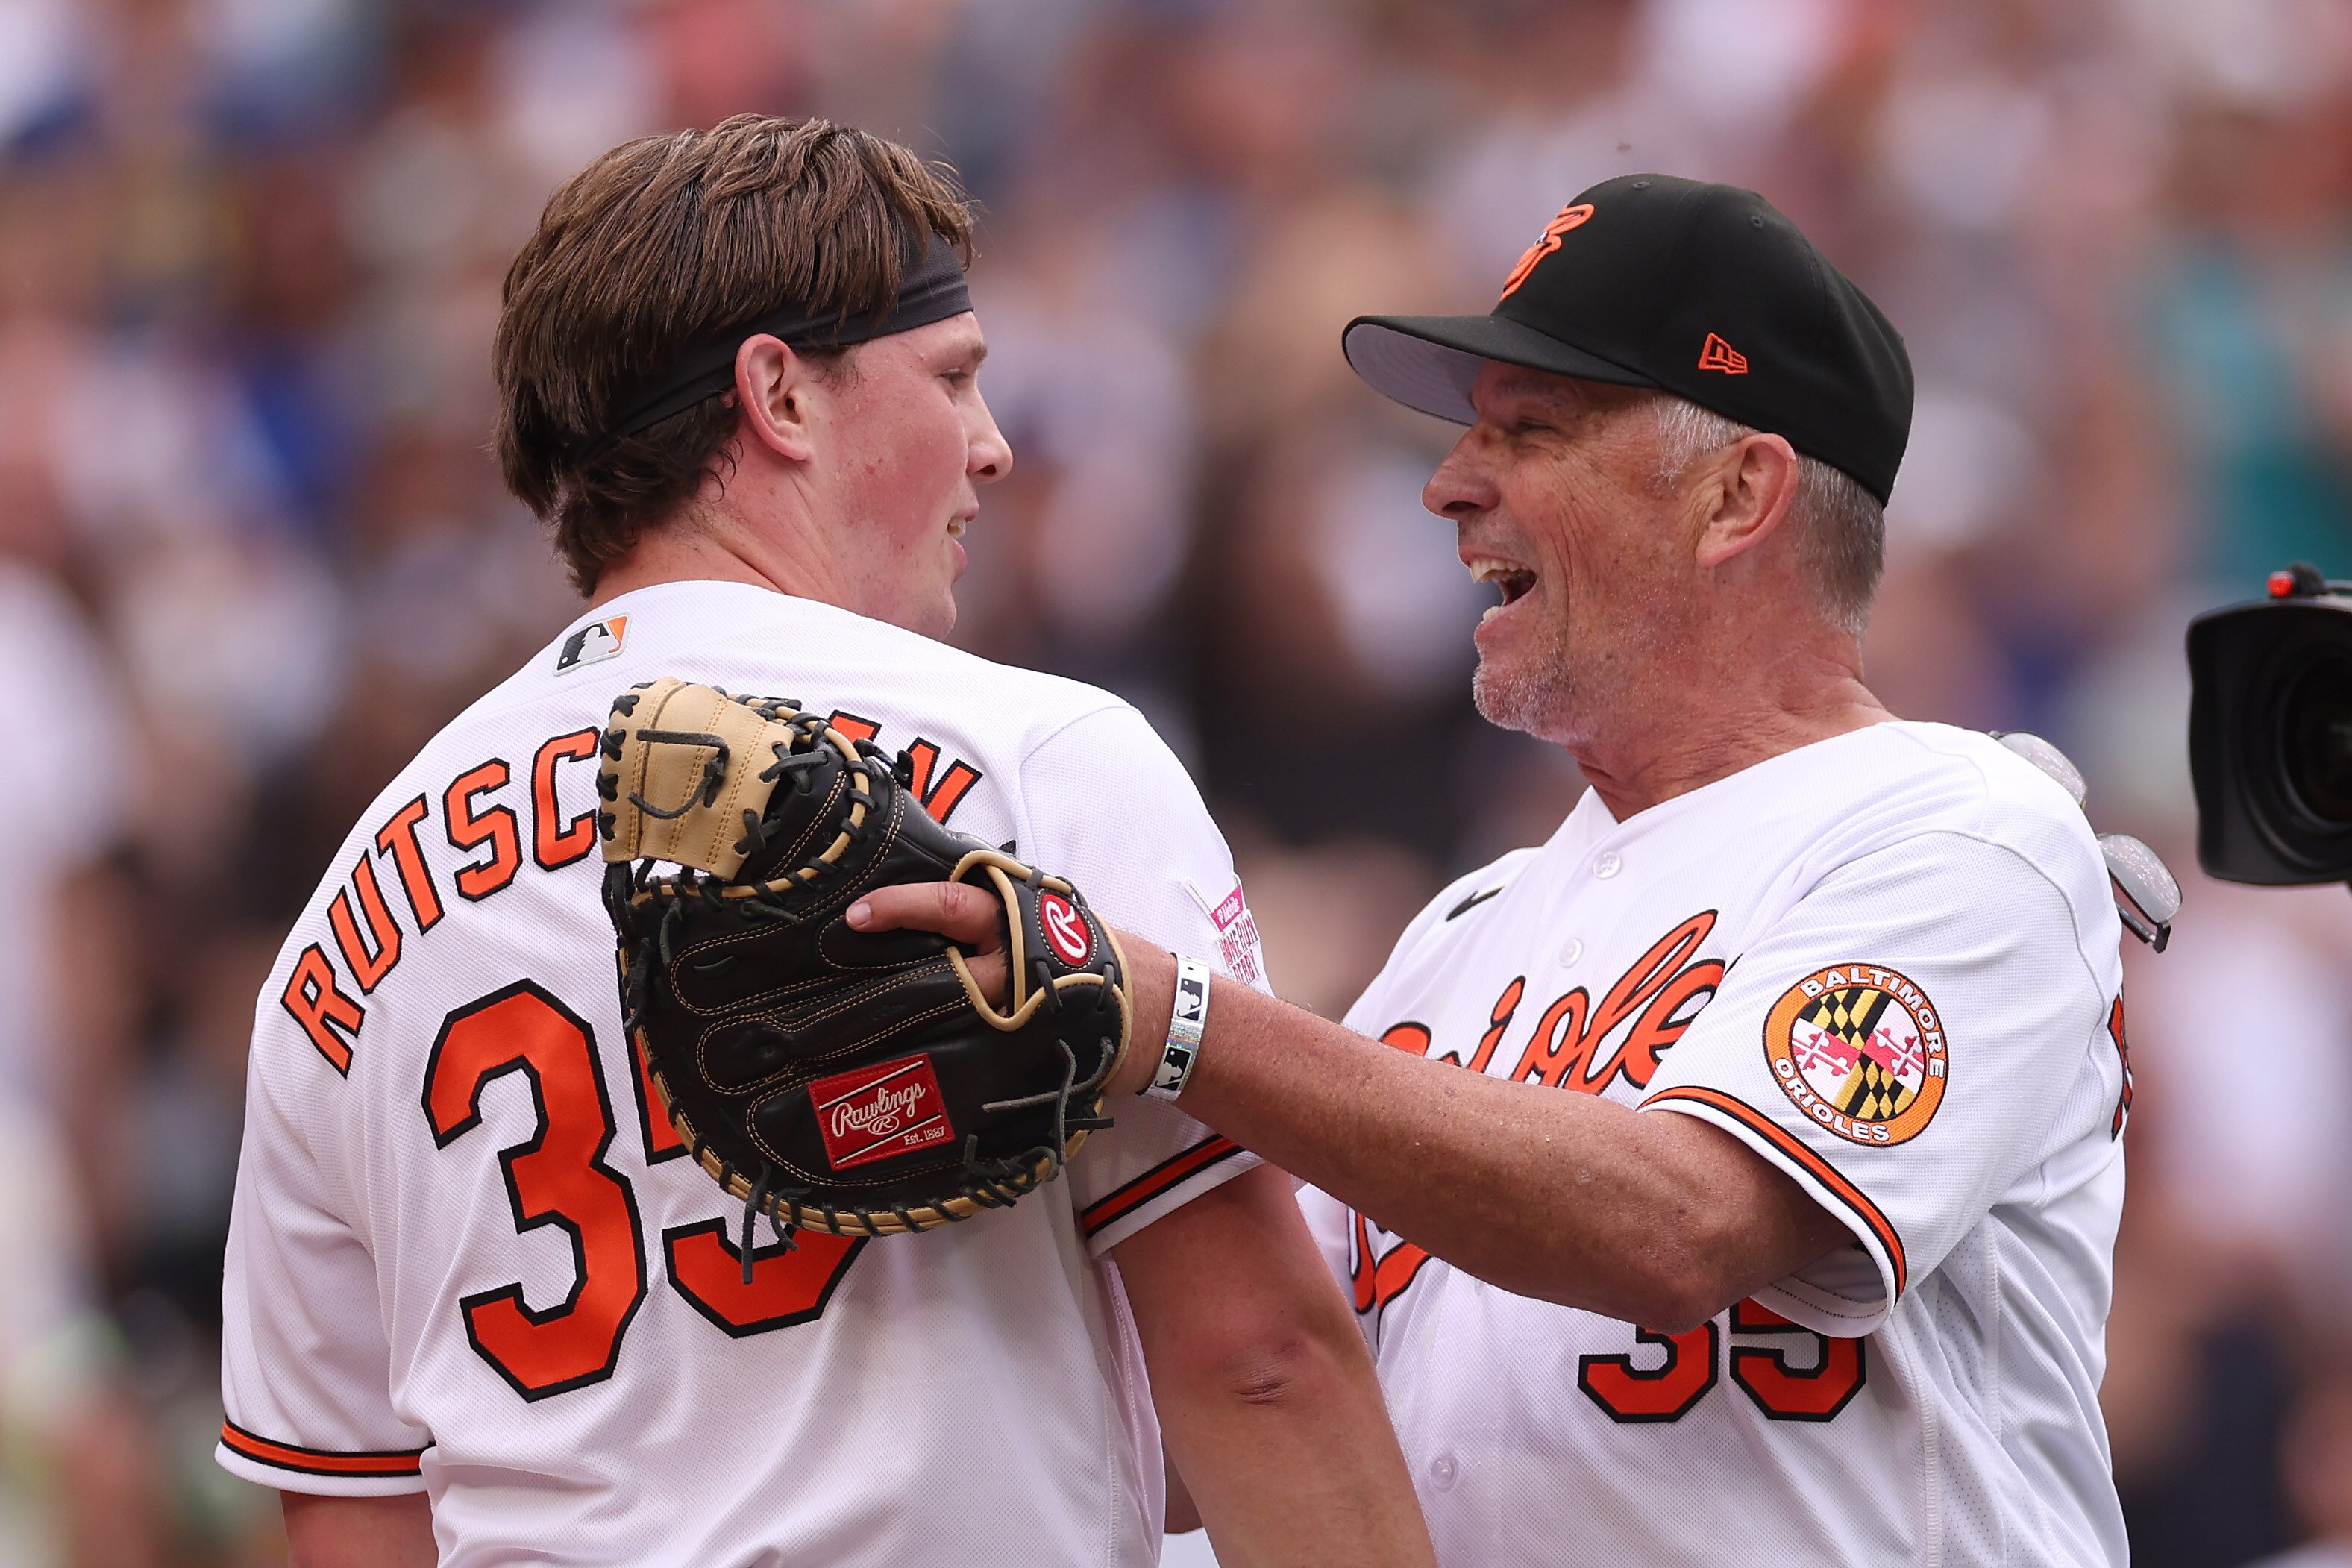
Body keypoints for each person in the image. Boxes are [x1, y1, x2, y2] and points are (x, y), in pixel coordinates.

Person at [856, 175, 2136, 1566]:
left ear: (1736, 493)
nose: (1448, 482)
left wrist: (1168, 1019)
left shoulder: (1962, 831)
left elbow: (1684, 1224)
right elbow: (1224, 1399)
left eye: (1530, 430)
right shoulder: (1467, 930)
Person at [215, 116, 1431, 1568]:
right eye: (953, 377)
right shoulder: (1031, 762)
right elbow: (1256, 1360)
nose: (986, 449)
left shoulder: (346, 913)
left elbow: (349, 1507)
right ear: (779, 396)